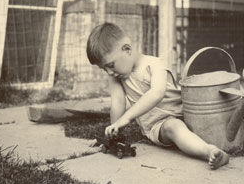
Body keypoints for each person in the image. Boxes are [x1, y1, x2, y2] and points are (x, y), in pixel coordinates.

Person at [86, 23, 229, 169]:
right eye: (104, 69)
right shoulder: (116, 76)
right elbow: (118, 102)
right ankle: (209, 151)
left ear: (127, 49)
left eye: (110, 65)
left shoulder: (155, 64)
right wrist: (112, 134)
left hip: (183, 112)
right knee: (174, 127)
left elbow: (157, 93)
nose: (109, 72)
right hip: (158, 125)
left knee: (212, 106)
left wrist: (127, 118)